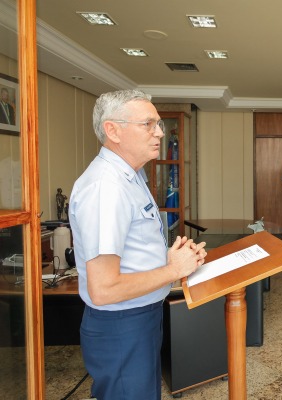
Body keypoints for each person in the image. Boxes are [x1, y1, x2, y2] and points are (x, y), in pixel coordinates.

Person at [69, 89, 207, 399]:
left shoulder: (131, 176)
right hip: (121, 325)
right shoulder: (107, 187)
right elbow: (103, 289)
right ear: (113, 130)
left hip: (139, 317)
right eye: (148, 124)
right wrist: (172, 270)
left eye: (158, 123)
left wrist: (168, 260)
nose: (159, 132)